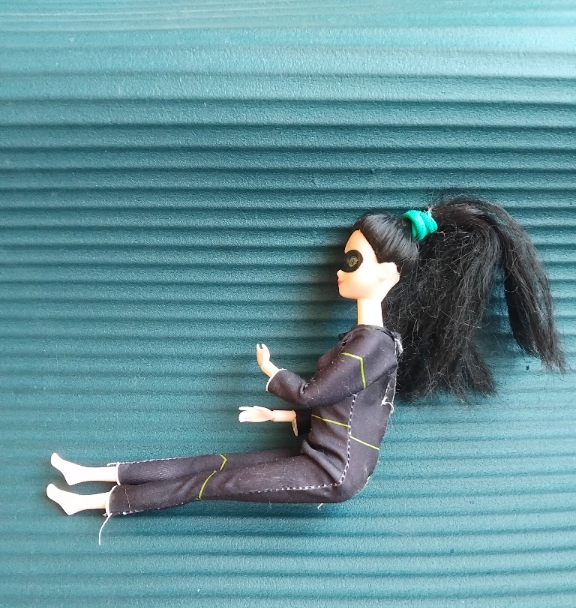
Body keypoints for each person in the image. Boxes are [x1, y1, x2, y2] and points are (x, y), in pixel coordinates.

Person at [47, 196, 565, 517]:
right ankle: (91, 473)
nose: (341, 268)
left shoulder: (372, 345)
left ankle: (92, 501)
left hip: (332, 472)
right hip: (317, 449)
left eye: (353, 260)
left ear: (387, 274)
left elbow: (316, 393)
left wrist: (273, 374)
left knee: (214, 481)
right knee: (211, 462)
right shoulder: (366, 340)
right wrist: (276, 416)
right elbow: (346, 411)